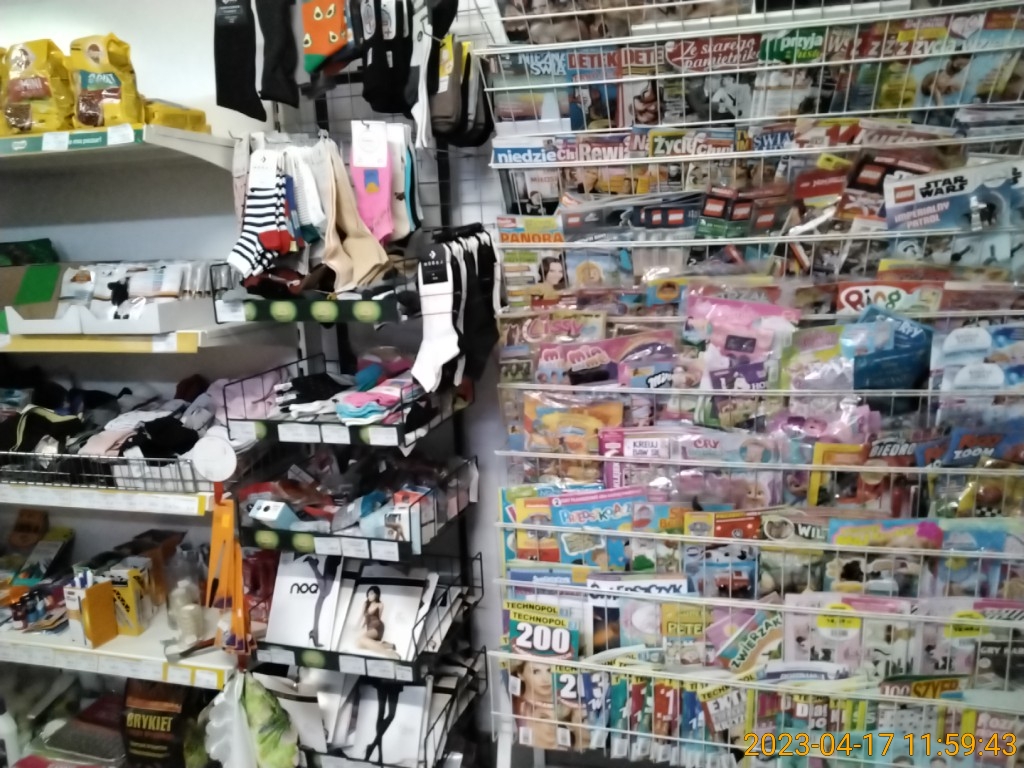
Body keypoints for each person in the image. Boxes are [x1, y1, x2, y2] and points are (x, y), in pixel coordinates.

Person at [510, 659, 560, 749]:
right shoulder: (519, 706)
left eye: (550, 670)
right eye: (536, 671)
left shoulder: (566, 703)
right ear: (520, 674)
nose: (546, 679)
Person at [358, 585, 400, 658]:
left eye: (372, 594)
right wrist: (360, 626)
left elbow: (379, 618)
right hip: (369, 628)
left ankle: (389, 654)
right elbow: (362, 616)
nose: (369, 596)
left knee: (362, 639)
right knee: (360, 644)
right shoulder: (366, 604)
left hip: (378, 627)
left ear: (377, 594)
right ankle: (388, 645)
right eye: (368, 594)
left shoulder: (380, 605)